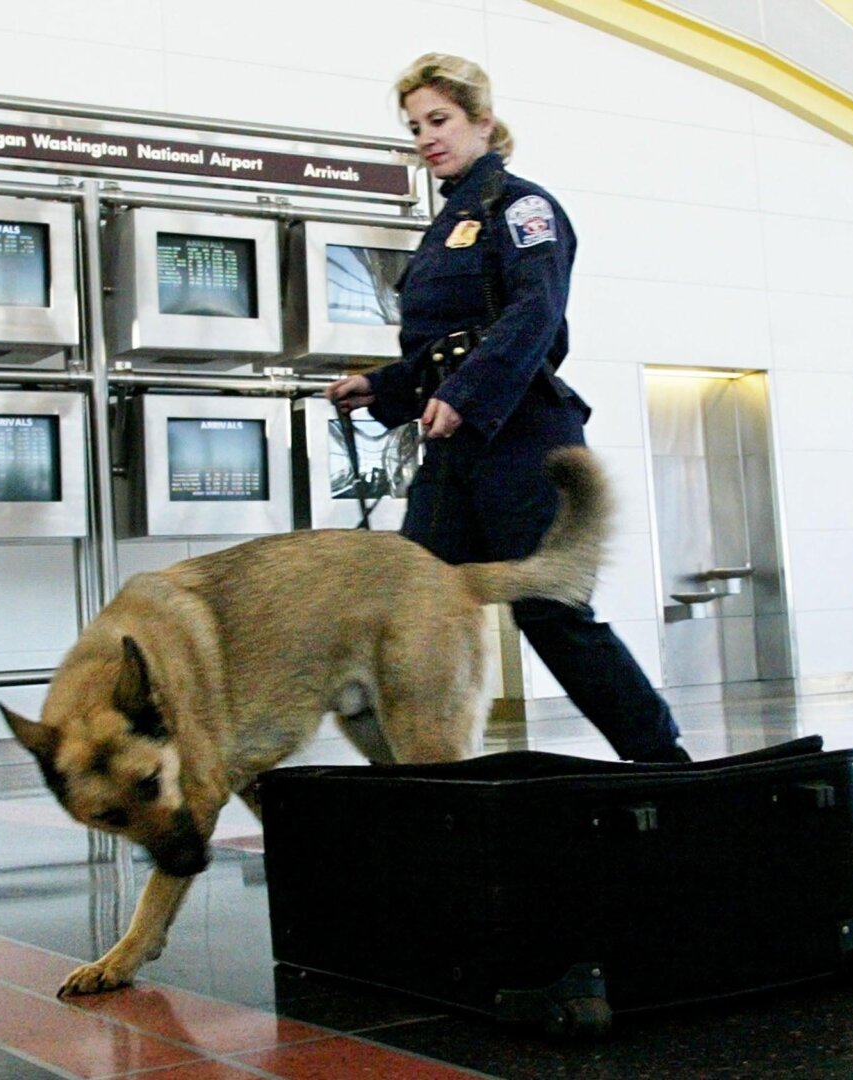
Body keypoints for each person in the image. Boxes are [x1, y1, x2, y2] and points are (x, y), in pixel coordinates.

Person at [327, 53, 688, 764]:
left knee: (549, 609)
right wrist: (386, 387)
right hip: (456, 445)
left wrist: (463, 395)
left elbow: (535, 315)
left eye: (440, 120)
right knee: (407, 603)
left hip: (524, 437)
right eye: (415, 126)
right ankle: (422, 768)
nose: (426, 136)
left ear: (483, 122)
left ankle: (661, 762)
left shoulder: (521, 209)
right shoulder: (446, 224)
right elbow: (443, 347)